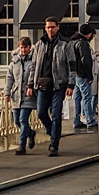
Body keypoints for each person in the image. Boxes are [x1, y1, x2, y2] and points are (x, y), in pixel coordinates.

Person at [31, 17, 73, 156]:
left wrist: (70, 84)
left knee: (56, 114)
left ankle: (54, 144)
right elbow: (33, 66)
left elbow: (71, 65)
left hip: (59, 84)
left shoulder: (65, 44)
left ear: (57, 27)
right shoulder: (39, 44)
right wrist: (31, 84)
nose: (50, 30)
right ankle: (53, 132)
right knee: (41, 113)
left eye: (52, 27)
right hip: (43, 84)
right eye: (48, 27)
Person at [5, 37, 37, 154]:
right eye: (21, 48)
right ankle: (30, 133)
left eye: (25, 47)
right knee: (16, 121)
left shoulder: (34, 60)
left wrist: (31, 86)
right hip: (16, 94)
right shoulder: (15, 61)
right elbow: (9, 77)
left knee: (23, 119)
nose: (23, 50)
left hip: (28, 94)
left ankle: (21, 145)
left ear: (29, 47)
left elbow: (34, 74)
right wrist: (7, 92)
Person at [71, 24, 98, 133]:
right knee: (87, 97)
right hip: (82, 74)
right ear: (88, 34)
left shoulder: (73, 42)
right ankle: (90, 120)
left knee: (77, 98)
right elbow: (85, 60)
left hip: (76, 74)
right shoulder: (83, 44)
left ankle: (76, 120)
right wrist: (89, 75)